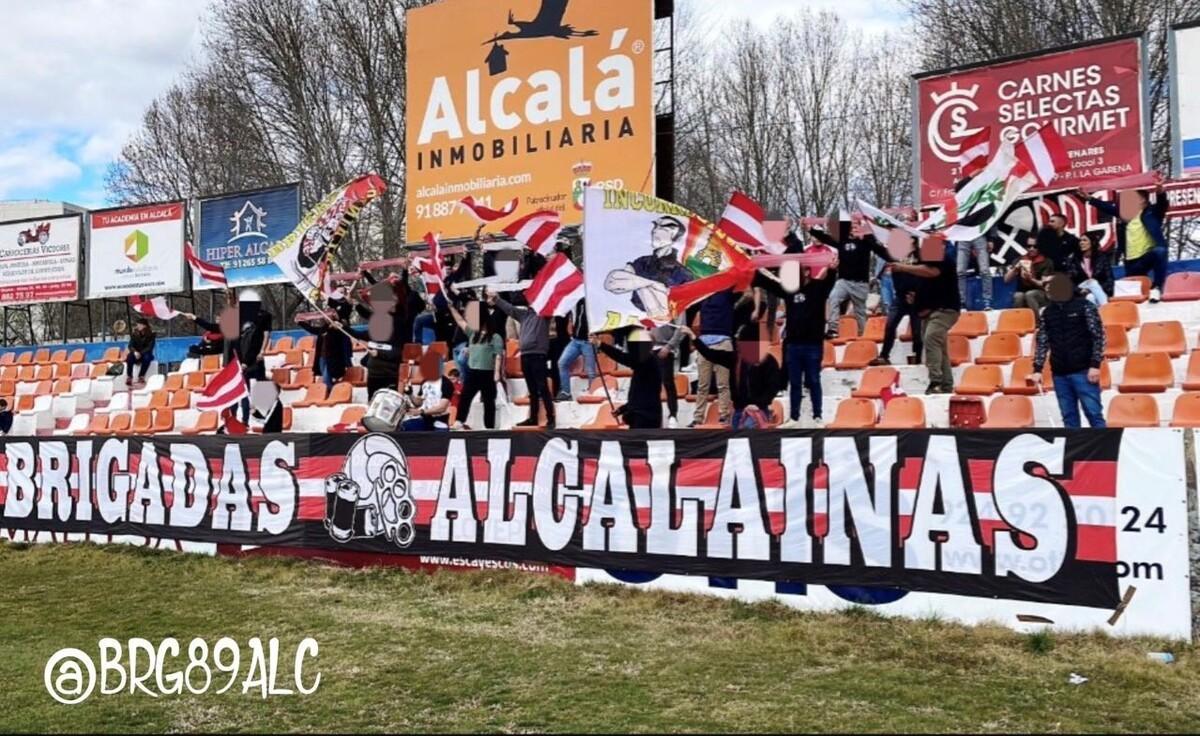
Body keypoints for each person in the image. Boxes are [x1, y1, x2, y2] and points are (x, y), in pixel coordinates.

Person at [753, 259, 836, 427]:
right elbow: (769, 284)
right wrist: (752, 270)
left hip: (813, 344)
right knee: (795, 382)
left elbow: (830, 280)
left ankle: (817, 416)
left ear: (806, 272)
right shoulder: (789, 289)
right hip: (793, 345)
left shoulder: (818, 287)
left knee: (813, 380)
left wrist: (833, 269)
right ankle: (794, 417)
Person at [1030, 274, 1107, 428]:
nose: (1048, 290)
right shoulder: (1047, 312)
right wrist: (1037, 369)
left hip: (1084, 370)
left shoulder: (1085, 306)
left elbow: (1098, 336)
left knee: (1094, 414)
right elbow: (1043, 341)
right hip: (1059, 374)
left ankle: (1104, 451)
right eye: (1046, 287)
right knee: (1068, 417)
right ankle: (1074, 451)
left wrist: (1095, 365)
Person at [889, 237, 960, 394]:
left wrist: (904, 267)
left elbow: (931, 272)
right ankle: (946, 384)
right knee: (939, 347)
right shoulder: (924, 264)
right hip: (930, 312)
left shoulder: (943, 260)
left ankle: (936, 381)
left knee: (931, 338)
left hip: (945, 310)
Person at [681, 322, 785, 428]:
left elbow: (773, 386)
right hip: (739, 411)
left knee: (747, 432)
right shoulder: (735, 358)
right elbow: (710, 354)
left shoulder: (768, 361)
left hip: (758, 410)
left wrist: (758, 404)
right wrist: (693, 337)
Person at [1081, 184, 1169, 302]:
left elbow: (1162, 205)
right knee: (1132, 293)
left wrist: (1160, 193)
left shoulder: (1152, 213)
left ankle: (1157, 287)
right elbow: (1108, 208)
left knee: (1160, 251)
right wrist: (1090, 199)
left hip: (1147, 256)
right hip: (1131, 260)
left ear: (1142, 200)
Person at [810, 217, 895, 338]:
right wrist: (812, 230)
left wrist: (868, 238)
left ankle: (864, 334)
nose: (854, 228)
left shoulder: (866, 241)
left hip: (860, 283)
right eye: (852, 226)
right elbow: (827, 238)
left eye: (856, 225)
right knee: (834, 297)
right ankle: (833, 329)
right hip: (844, 281)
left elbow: (880, 250)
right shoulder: (842, 240)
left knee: (859, 311)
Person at [604, 215, 693, 321]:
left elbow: (680, 306)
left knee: (646, 287)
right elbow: (612, 282)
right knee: (646, 286)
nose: (655, 231)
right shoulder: (642, 262)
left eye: (663, 228)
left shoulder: (683, 273)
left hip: (666, 327)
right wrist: (652, 284)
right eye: (656, 226)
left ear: (676, 238)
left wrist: (641, 284)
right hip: (636, 321)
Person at [491, 291, 555, 429]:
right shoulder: (525, 315)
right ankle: (533, 418)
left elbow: (552, 303)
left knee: (542, 387)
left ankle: (551, 418)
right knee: (532, 389)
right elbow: (510, 309)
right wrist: (496, 299)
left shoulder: (544, 315)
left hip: (538, 355)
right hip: (525, 355)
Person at [589, 329, 663, 429]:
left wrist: (601, 344)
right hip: (641, 414)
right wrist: (622, 409)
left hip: (645, 417)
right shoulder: (645, 363)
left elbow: (624, 358)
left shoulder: (648, 361)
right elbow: (640, 395)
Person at [449, 300, 503, 430]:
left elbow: (498, 356)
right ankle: (459, 420)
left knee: (489, 401)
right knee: (465, 396)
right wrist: (451, 308)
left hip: (487, 372)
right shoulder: (473, 334)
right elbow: (461, 322)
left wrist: (496, 373)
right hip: (473, 371)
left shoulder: (495, 337)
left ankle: (489, 426)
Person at [688, 289, 736, 427]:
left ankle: (724, 415)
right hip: (704, 341)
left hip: (723, 340)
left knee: (723, 384)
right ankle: (698, 417)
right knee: (702, 385)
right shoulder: (703, 294)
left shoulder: (727, 292)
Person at [873, 240, 923, 367]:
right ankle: (884, 356)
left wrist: (917, 292)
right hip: (900, 297)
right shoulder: (896, 255)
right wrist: (868, 236)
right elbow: (879, 250)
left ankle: (918, 356)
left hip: (916, 297)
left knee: (917, 330)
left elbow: (925, 274)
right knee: (890, 325)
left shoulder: (921, 256)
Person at [300, 298, 354, 391]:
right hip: (322, 357)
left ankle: (329, 392)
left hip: (333, 358)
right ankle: (330, 391)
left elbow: (344, 332)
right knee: (325, 375)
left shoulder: (338, 329)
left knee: (326, 378)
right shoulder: (323, 329)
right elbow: (312, 329)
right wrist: (301, 323)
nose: (326, 318)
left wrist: (338, 322)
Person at [556, 298, 598, 401]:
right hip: (575, 340)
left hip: (588, 340)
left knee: (591, 371)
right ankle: (566, 392)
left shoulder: (594, 301)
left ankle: (592, 393)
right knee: (562, 363)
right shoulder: (575, 302)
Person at [402, 358, 455, 432]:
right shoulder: (425, 382)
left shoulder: (446, 383)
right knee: (405, 426)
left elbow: (442, 408)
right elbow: (418, 403)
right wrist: (410, 394)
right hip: (424, 419)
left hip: (439, 421)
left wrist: (421, 412)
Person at [1004, 239, 1054, 312]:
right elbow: (1006, 280)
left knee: (1030, 294)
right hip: (1022, 292)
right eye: (1029, 246)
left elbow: (1044, 284)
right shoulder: (1019, 260)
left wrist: (1031, 279)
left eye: (1035, 246)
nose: (1031, 249)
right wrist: (1016, 268)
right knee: (1018, 296)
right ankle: (1018, 321)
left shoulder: (1046, 262)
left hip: (1041, 293)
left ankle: (1036, 322)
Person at [1066, 233, 1114, 306]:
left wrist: (1094, 289)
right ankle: (1107, 309)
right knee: (1092, 282)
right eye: (1080, 241)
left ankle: (1100, 316)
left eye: (1084, 240)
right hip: (1082, 288)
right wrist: (1079, 290)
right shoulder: (1073, 260)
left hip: (1098, 289)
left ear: (1093, 242)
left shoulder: (1102, 258)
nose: (1081, 243)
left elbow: (1110, 280)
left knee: (1091, 297)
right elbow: (1068, 282)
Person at [956, 235, 993, 310]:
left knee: (984, 270)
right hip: (962, 235)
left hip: (979, 233)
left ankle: (987, 302)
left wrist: (991, 239)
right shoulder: (930, 240)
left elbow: (989, 222)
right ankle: (961, 303)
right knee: (960, 271)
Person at [125, 318, 156, 386]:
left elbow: (150, 347)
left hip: (145, 353)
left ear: (144, 326)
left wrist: (141, 353)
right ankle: (129, 377)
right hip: (136, 353)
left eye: (139, 325)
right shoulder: (134, 334)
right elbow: (130, 345)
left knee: (147, 358)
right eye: (137, 325)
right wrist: (135, 352)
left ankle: (141, 376)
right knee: (129, 357)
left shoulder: (151, 335)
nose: (138, 326)